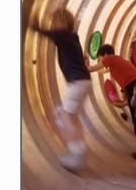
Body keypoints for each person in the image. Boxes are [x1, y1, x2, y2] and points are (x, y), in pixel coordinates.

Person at [30, 9, 91, 172]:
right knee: (72, 117)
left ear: (62, 23)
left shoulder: (63, 35)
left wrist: (35, 27)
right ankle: (79, 150)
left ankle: (76, 155)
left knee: (65, 116)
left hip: (78, 82)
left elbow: (51, 34)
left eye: (55, 21)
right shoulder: (72, 37)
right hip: (83, 81)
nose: (53, 25)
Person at [86, 44, 136, 153]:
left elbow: (92, 69)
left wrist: (86, 64)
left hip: (133, 85)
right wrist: (125, 102)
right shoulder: (116, 61)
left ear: (106, 54)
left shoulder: (110, 58)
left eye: (100, 57)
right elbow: (101, 71)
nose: (100, 60)